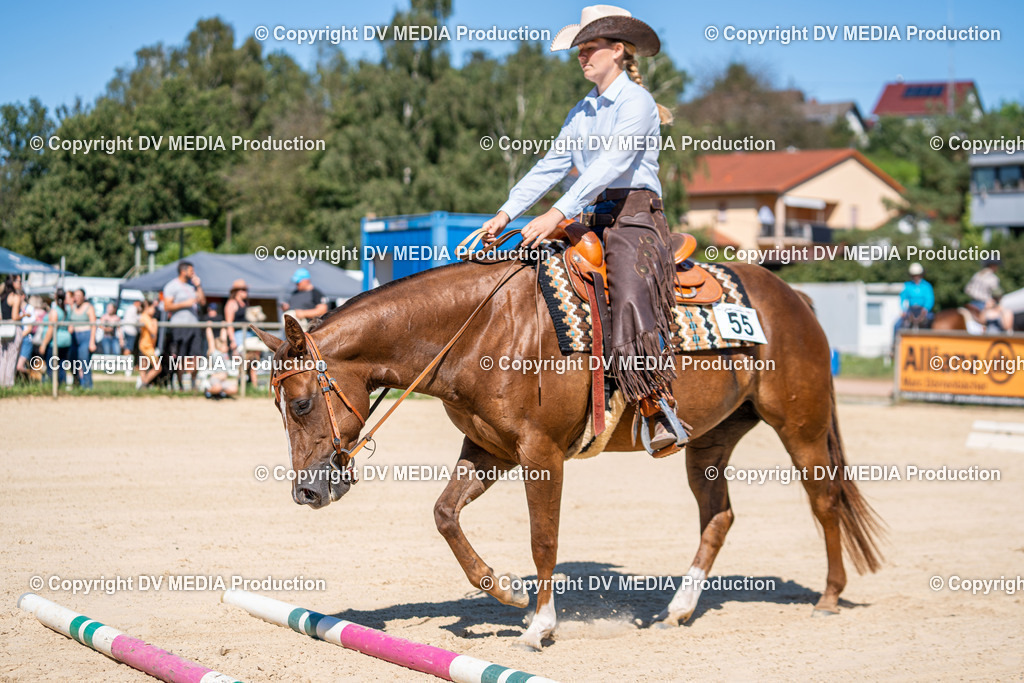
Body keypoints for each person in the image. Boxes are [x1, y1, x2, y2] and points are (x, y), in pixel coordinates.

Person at [481, 5, 684, 454]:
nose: (581, 56)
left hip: (635, 217)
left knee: (629, 292)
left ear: (617, 50)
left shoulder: (638, 104)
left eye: (590, 47)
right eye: (579, 49)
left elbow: (611, 164)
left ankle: (655, 403)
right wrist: (506, 212)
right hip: (589, 213)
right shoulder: (583, 109)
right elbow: (551, 164)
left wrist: (556, 214)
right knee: (522, 266)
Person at [162, 261, 205, 390]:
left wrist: (199, 286)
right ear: (183, 271)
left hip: (194, 326)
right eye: (191, 271)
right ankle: (180, 385)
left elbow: (202, 301)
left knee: (196, 356)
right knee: (181, 357)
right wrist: (185, 304)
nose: (193, 273)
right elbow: (167, 306)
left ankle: (193, 383)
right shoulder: (172, 286)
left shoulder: (193, 286)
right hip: (179, 326)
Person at [224, 278, 257, 386]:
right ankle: (239, 385)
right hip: (238, 336)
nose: (245, 292)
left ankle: (253, 385)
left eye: (245, 290)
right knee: (241, 361)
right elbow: (229, 324)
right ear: (236, 291)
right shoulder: (231, 304)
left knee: (253, 359)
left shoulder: (245, 303)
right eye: (243, 290)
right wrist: (232, 340)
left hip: (249, 335)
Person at [39, 289, 73, 386]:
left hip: (55, 342)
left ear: (56, 297)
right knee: (62, 365)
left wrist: (44, 344)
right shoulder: (68, 310)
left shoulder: (55, 311)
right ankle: (61, 384)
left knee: (52, 365)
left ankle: (52, 385)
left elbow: (51, 329)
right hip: (66, 341)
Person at [68, 289, 96, 389]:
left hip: (86, 336)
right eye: (75, 295)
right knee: (72, 361)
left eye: (79, 295)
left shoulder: (89, 307)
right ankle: (77, 383)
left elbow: (93, 325)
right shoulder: (73, 307)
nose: (77, 297)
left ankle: (87, 386)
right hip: (74, 337)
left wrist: (92, 342)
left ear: (84, 297)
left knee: (84, 362)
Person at [0, 274, 25, 387]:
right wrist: (23, 315)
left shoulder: (2, 297)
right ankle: (8, 385)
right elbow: (15, 317)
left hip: (2, 328)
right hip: (13, 330)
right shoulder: (16, 297)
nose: (20, 284)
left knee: (3, 358)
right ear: (13, 283)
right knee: (11, 358)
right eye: (18, 281)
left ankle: (1, 384)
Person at [895, 262, 935, 334]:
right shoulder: (907, 285)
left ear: (921, 275)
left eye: (917, 275)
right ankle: (895, 344)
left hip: (924, 310)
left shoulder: (927, 286)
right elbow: (902, 298)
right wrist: (904, 310)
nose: (916, 277)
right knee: (897, 325)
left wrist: (926, 308)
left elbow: (930, 299)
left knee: (933, 323)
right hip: (911, 310)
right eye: (914, 275)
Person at [136, 299, 161, 388]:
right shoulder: (145, 317)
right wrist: (155, 323)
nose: (154, 310)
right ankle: (144, 383)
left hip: (147, 346)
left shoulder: (147, 318)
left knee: (143, 367)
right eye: (153, 307)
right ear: (147, 307)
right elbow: (153, 331)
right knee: (157, 367)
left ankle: (143, 385)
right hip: (146, 347)